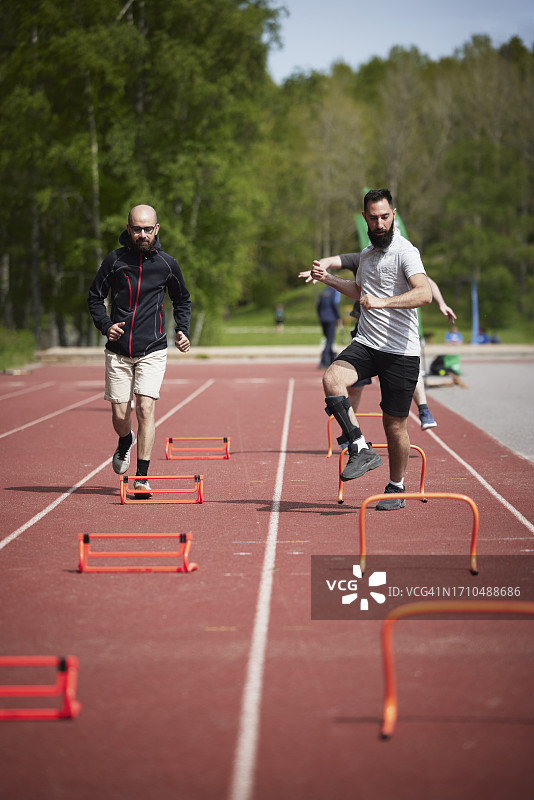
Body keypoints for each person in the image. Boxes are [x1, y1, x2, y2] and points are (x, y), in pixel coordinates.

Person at [305, 188, 432, 510]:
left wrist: (384, 303)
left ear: (393, 215)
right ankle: (360, 447)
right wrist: (328, 280)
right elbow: (360, 291)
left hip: (401, 352)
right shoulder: (366, 255)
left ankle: (396, 486)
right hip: (367, 343)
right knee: (332, 378)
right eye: (373, 218)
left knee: (395, 425)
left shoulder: (406, 252)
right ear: (365, 219)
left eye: (385, 217)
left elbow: (424, 294)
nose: (380, 224)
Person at [88, 204, 191, 497]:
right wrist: (105, 325)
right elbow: (95, 298)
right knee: (121, 414)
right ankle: (125, 440)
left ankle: (142, 476)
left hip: (153, 348)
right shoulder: (115, 261)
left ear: (157, 229)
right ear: (128, 229)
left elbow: (182, 299)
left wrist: (182, 329)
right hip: (118, 350)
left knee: (146, 407)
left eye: (148, 229)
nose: (142, 234)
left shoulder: (167, 264)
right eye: (137, 229)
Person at [299, 258, 457, 431]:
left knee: (407, 377)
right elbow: (334, 262)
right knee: (348, 385)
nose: (379, 229)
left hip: (396, 333)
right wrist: (320, 270)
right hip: (366, 334)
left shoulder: (404, 255)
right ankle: (351, 434)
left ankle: (424, 410)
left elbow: (427, 284)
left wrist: (441, 303)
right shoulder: (364, 256)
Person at [316, 285, 341, 368]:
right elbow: (334, 304)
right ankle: (323, 360)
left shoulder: (323, 292)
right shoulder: (335, 292)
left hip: (323, 319)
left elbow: (318, 306)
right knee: (330, 340)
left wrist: (321, 316)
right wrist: (338, 317)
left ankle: (331, 358)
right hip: (331, 318)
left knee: (328, 339)